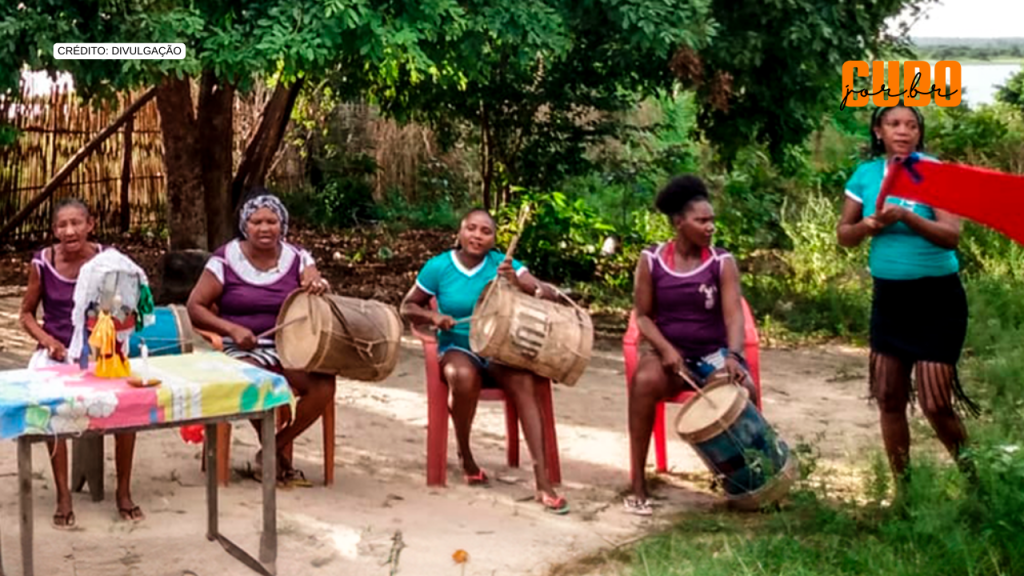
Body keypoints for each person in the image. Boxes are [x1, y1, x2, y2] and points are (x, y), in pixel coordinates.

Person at [837, 103, 978, 500]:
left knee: (936, 403)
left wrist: (906, 217)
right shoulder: (865, 176)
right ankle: (905, 493)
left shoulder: (935, 174)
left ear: (919, 133)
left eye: (911, 125)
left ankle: (976, 482)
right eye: (894, 124)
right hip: (890, 300)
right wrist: (866, 225)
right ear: (878, 131)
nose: (903, 131)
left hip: (937, 300)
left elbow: (951, 236)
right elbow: (844, 235)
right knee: (889, 397)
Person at [400, 208, 569, 514]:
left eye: (486, 232)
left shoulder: (504, 265)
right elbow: (407, 306)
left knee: (525, 382)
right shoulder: (438, 267)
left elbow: (549, 295)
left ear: (494, 239)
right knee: (461, 377)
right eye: (471, 229)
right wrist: (433, 316)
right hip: (458, 347)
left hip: (501, 350)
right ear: (460, 232)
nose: (477, 236)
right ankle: (465, 454)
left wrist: (521, 284)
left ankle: (542, 480)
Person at [625, 175, 756, 516]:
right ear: (679, 223)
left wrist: (735, 357)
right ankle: (638, 482)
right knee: (643, 383)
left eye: (712, 220)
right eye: (702, 220)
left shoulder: (721, 261)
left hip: (713, 354)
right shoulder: (651, 260)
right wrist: (667, 351)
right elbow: (642, 316)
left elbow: (733, 316)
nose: (710, 226)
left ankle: (743, 479)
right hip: (668, 353)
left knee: (741, 389)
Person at [187, 191, 335, 486]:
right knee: (255, 380)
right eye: (257, 221)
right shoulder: (225, 259)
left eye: (272, 221)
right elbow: (195, 307)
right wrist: (232, 330)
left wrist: (317, 285)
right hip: (240, 347)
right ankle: (275, 456)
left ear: (282, 225)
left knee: (323, 386)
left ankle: (272, 448)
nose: (265, 228)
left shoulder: (297, 258)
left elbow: (313, 279)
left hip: (289, 346)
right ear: (245, 224)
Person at [19, 198, 144, 527]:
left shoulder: (109, 261)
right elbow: (26, 314)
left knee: (127, 405)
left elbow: (124, 309)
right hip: (56, 350)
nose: (69, 231)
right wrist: (48, 342)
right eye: (62, 225)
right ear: (54, 230)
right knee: (50, 409)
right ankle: (63, 494)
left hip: (102, 350)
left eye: (77, 223)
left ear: (91, 225)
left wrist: (107, 339)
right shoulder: (42, 263)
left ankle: (124, 491)